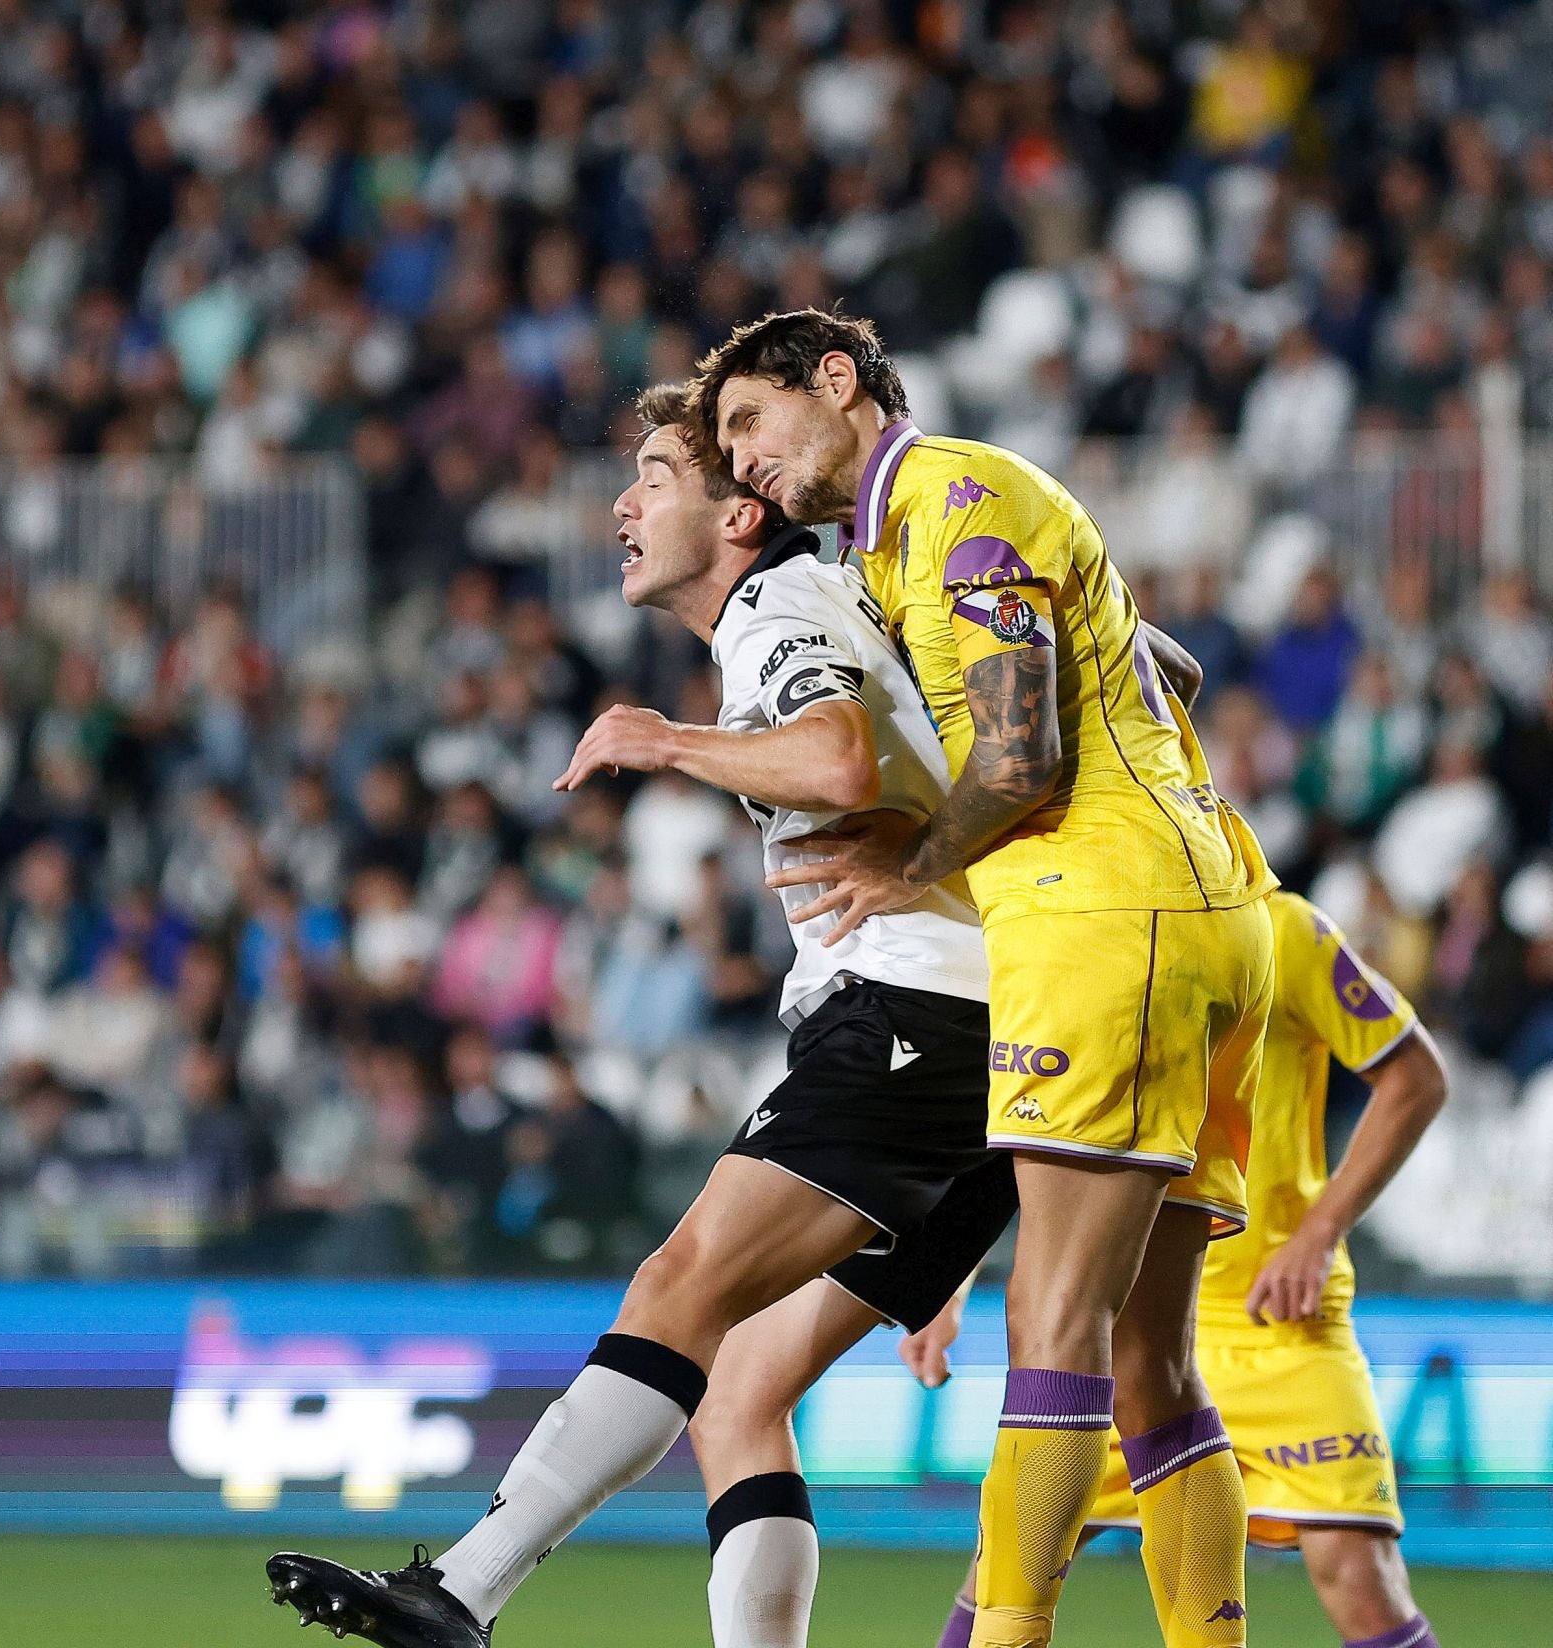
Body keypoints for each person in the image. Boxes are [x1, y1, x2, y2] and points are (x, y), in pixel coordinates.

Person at [265, 383, 1019, 1647]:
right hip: (980, 1043)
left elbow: (838, 758)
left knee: (677, 1284)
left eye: (657, 478)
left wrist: (664, 740)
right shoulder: (822, 606)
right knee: (735, 1394)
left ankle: (462, 1588)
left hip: (915, 1013)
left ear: (739, 513)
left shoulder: (778, 608)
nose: (623, 503)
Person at [698, 308, 1277, 1648]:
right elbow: (1155, 659)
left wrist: (910, 865)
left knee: (1052, 1323)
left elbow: (1020, 762)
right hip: (1199, 910)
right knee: (1148, 1362)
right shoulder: (944, 525)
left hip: (1100, 914)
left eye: (748, 423)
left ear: (833, 382)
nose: (741, 463)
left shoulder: (953, 496)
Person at [916, 890, 1450, 1648]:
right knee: (1007, 1565)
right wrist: (954, 1272)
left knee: (1358, 1575)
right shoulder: (1086, 925)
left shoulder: (1280, 927)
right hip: (1120, 1327)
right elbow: (1032, 1122)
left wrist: (1317, 1232)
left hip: (1278, 1325)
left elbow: (1414, 1076)